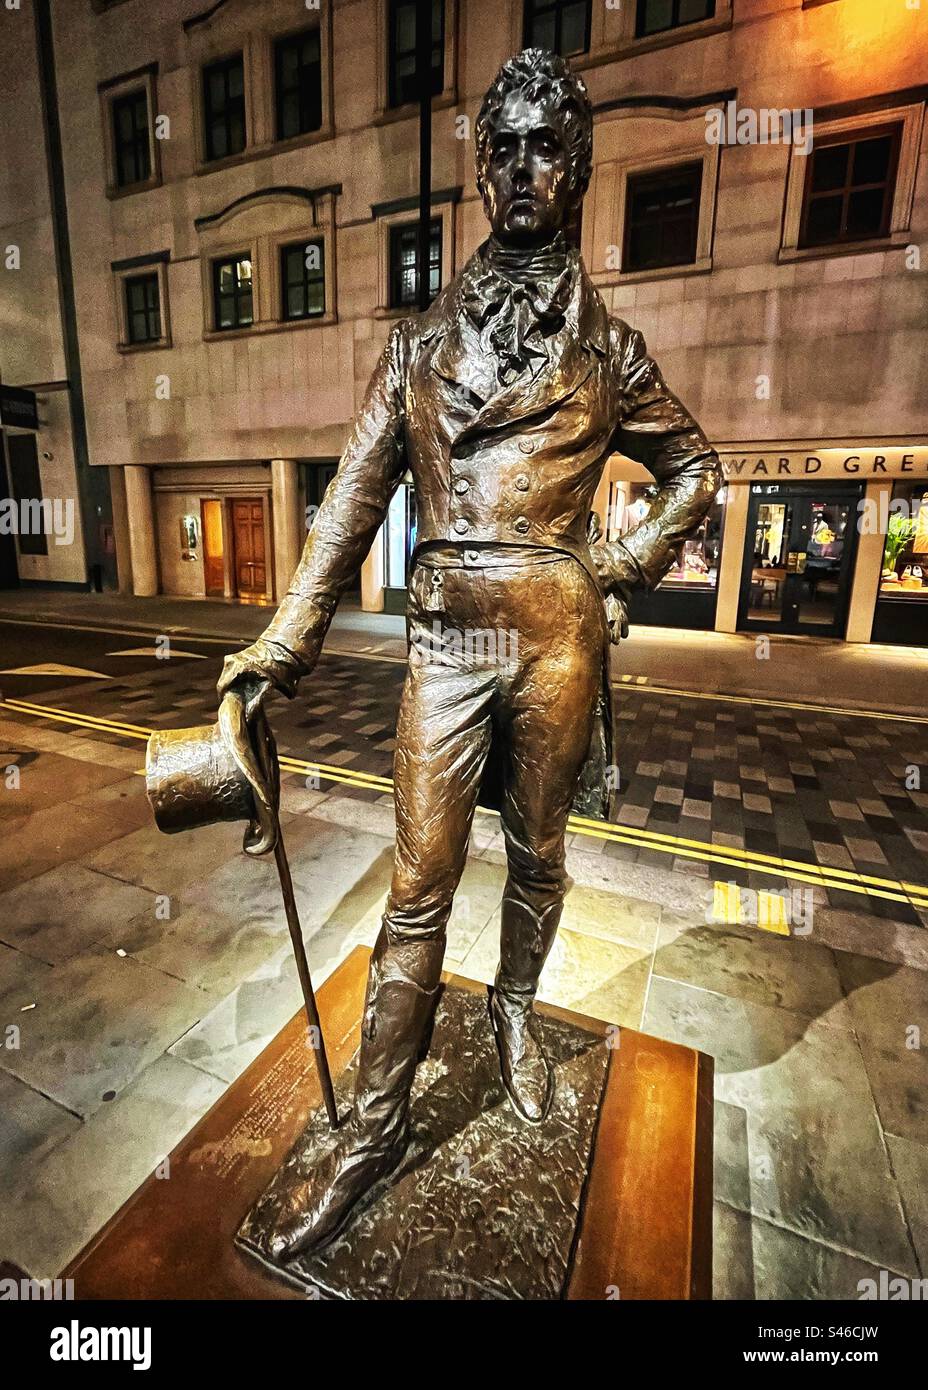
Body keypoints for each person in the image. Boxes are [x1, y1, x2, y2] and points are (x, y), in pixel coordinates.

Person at [218, 47, 721, 1258]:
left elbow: (699, 470)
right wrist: (282, 642)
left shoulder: (611, 353)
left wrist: (617, 562)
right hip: (445, 643)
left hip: (556, 637)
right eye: (500, 150)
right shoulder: (414, 346)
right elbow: (345, 503)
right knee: (415, 885)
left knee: (539, 856)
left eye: (546, 147)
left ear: (581, 168)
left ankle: (511, 1014)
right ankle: (375, 1132)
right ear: (479, 169)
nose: (521, 170)